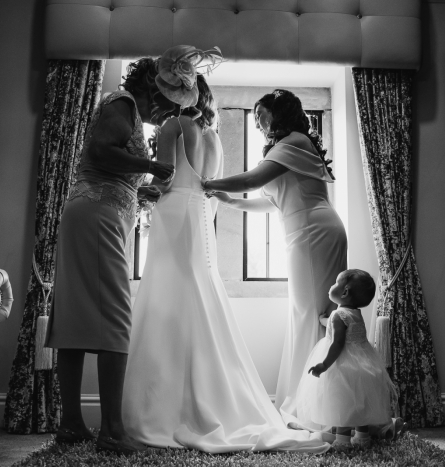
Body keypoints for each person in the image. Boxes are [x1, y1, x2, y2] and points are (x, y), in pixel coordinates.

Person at [122, 47, 330, 454]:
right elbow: (210, 190)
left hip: (175, 217)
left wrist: (135, 192)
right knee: (200, 301)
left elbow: (164, 181)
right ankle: (211, 401)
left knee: (167, 304)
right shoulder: (214, 137)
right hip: (201, 222)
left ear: (170, 94)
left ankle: (163, 409)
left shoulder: (173, 127)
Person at [44, 57, 176, 454]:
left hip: (94, 211)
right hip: (98, 213)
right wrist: (152, 165)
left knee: (75, 315)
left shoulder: (122, 107)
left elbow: (109, 165)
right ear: (154, 89)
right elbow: (102, 151)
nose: (166, 111)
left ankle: (71, 423)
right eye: (167, 101)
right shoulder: (123, 103)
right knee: (116, 317)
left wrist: (142, 189)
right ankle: (113, 431)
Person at [202, 89, 348, 424]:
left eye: (260, 114)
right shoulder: (289, 146)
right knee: (307, 315)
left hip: (314, 232)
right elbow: (275, 201)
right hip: (306, 231)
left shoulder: (294, 141)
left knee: (311, 315)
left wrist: (205, 183)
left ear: (278, 113)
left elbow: (254, 180)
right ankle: (310, 401)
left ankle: (312, 406)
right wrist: (232, 202)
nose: (256, 122)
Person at [296, 269, 397, 450]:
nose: (331, 286)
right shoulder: (355, 313)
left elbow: (338, 342)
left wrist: (324, 365)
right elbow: (343, 327)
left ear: (344, 292)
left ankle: (342, 442)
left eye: (336, 283)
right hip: (364, 362)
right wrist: (324, 321)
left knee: (342, 403)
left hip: (344, 364)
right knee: (360, 403)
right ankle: (362, 437)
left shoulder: (338, 315)